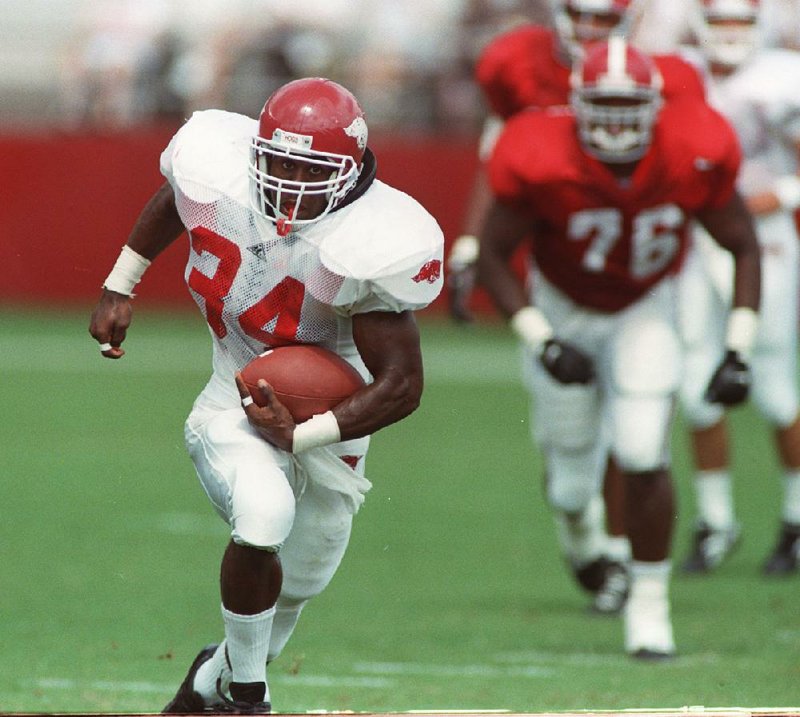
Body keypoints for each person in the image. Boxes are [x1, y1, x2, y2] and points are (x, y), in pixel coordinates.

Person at [88, 77, 444, 713]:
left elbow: (402, 385)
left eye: (307, 167)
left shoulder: (372, 241)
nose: (286, 179)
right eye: (275, 160)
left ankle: (208, 683)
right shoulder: (217, 171)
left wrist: (302, 434)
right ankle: (249, 697)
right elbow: (179, 199)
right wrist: (123, 280)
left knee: (304, 577)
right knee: (263, 518)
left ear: (352, 167)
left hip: (331, 408)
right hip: (235, 388)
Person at [476, 37, 761, 658]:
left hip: (644, 309)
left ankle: (649, 606)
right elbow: (493, 254)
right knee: (572, 487)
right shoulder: (537, 151)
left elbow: (742, 242)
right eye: (601, 105)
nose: (614, 120)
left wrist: (737, 347)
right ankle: (584, 544)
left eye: (628, 106)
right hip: (562, 307)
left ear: (656, 106)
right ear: (575, 104)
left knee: (641, 449)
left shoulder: (694, 149)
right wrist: (542, 339)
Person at [447, 0, 707, 615]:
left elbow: (698, 169)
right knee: (570, 453)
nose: (589, 30)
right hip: (563, 270)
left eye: (603, 18)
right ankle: (588, 536)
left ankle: (627, 557)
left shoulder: (671, 79)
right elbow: (500, 160)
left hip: (648, 275)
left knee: (640, 424)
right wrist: (469, 244)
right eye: (579, 15)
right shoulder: (519, 66)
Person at [676, 0, 800, 574]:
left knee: (774, 382)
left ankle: (797, 519)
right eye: (719, 21)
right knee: (695, 381)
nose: (728, 34)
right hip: (696, 239)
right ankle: (715, 521)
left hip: (765, 237)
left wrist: (785, 194)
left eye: (739, 22)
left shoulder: (781, 76)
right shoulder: (679, 71)